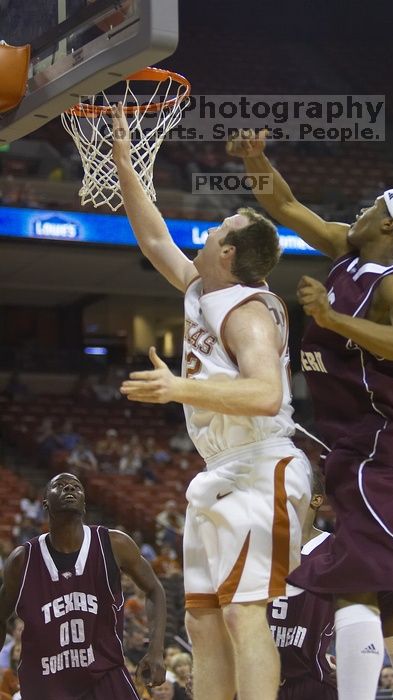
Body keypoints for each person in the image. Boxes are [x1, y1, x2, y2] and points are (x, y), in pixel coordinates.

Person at [228, 131, 393, 700]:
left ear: (390, 225)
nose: (362, 210)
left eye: (374, 206)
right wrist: (256, 160)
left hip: (386, 442)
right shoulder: (347, 250)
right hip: (358, 443)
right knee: (392, 598)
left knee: (353, 585)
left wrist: (331, 317)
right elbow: (287, 206)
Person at [112, 104, 312, 700]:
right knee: (202, 618)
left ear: (229, 253)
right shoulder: (204, 289)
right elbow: (153, 239)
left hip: (261, 465)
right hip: (218, 470)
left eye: (220, 227)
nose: (209, 230)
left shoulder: (249, 309)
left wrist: (178, 388)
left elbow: (266, 392)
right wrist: (125, 159)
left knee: (243, 614)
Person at [0, 472, 167, 700]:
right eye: (60, 485)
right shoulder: (22, 561)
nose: (69, 489)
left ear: (85, 504)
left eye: (76, 487)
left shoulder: (114, 543)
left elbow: (155, 589)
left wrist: (156, 652)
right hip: (46, 684)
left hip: (104, 676)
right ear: (45, 503)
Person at [267, 468, 337, 699]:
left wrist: (346, 653)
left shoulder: (337, 551)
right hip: (255, 675)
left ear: (316, 499)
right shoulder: (256, 545)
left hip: (312, 678)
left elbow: (362, 610)